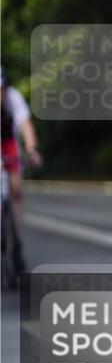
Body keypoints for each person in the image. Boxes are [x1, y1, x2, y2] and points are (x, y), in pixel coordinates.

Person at [1, 67, 43, 280]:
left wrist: (32, 149)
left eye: (1, 90)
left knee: (16, 190)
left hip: (7, 142)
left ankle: (16, 240)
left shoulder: (14, 98)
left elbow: (25, 125)